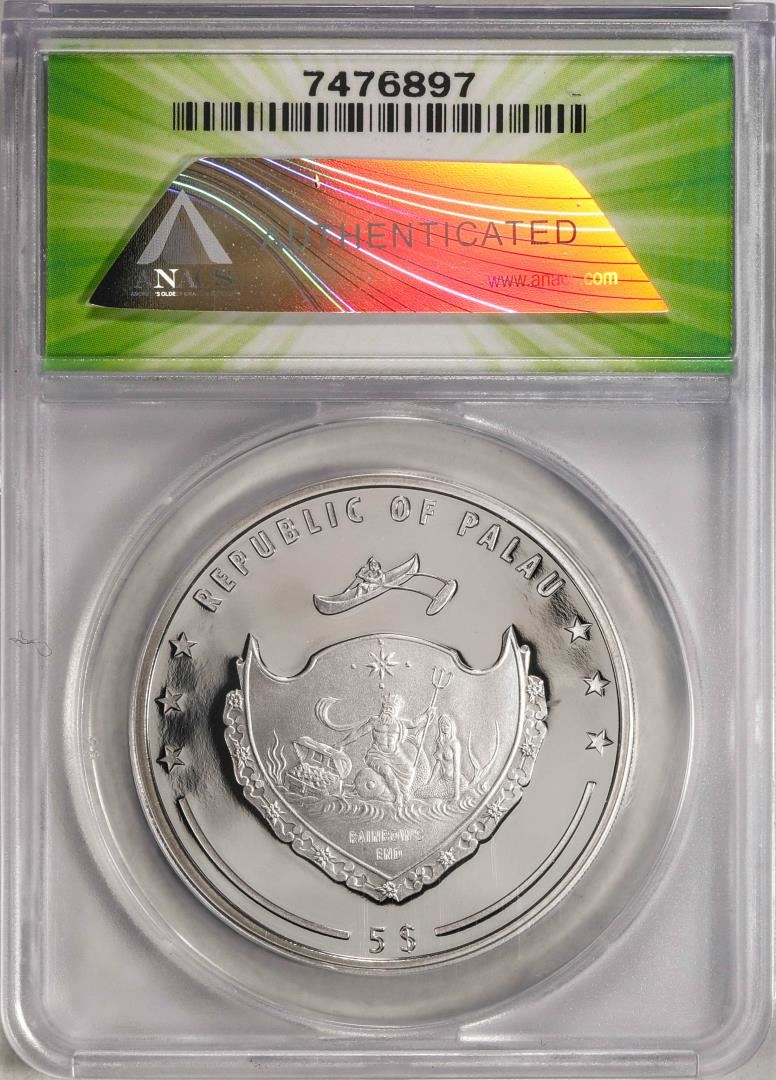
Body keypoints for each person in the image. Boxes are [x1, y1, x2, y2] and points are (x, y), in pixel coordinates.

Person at [340, 692, 431, 816]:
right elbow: (358, 733)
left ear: (396, 711)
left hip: (395, 755)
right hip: (377, 754)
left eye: (390, 709)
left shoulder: (399, 723)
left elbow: (413, 723)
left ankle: (399, 792)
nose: (387, 711)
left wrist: (426, 714)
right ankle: (398, 796)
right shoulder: (375, 722)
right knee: (387, 771)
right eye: (385, 708)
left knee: (409, 770)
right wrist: (342, 743)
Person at [426, 713, 463, 802]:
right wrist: (430, 782)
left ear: (451, 726)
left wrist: (456, 794)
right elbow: (438, 764)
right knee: (422, 792)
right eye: (442, 725)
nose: (445, 727)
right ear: (439, 727)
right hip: (443, 780)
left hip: (455, 783)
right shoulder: (440, 742)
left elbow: (456, 770)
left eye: (447, 725)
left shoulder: (455, 744)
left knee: (429, 797)